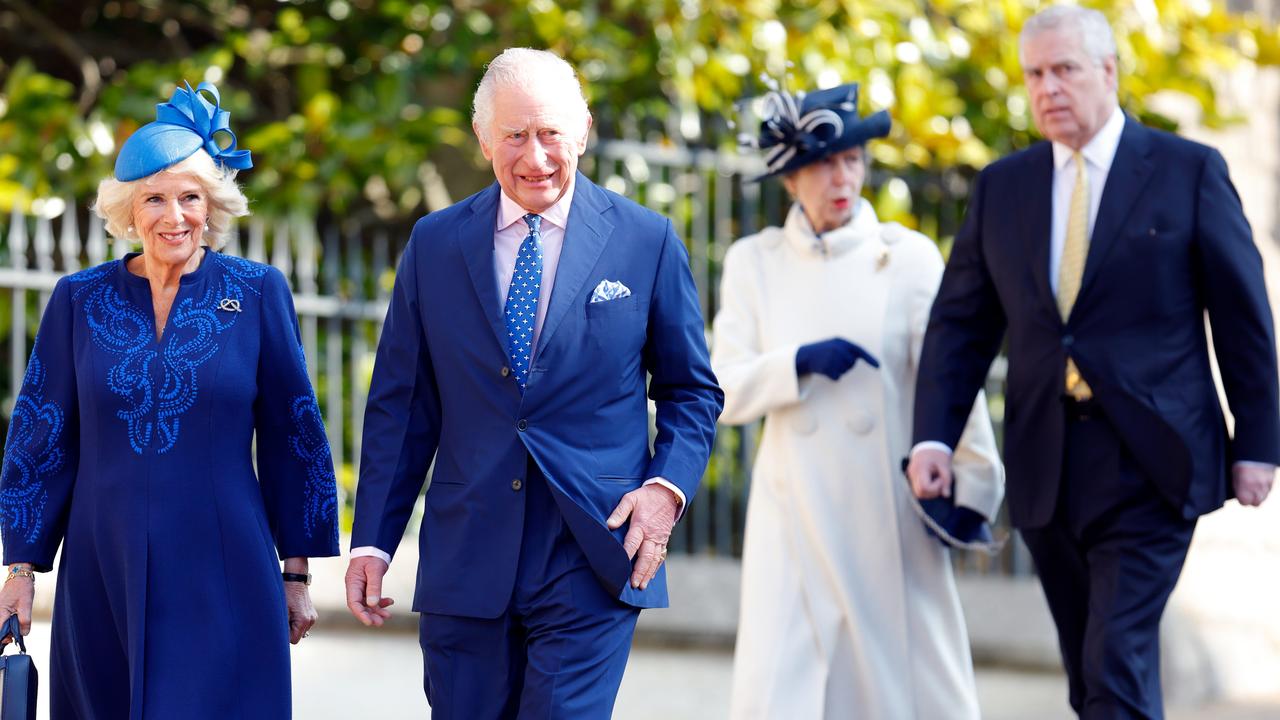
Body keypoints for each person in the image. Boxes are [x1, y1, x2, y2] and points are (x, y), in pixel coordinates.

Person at [908, 6, 1279, 718]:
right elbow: (960, 326)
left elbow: (1243, 320)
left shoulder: (1187, 172)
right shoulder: (1002, 188)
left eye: (1064, 70)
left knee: (1115, 658)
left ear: (1108, 72)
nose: (1047, 88)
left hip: (1153, 459)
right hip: (1047, 459)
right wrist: (934, 435)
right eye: (1035, 74)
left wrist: (1257, 441)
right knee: (1091, 671)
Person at [343, 48, 722, 718]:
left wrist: (664, 492)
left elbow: (692, 391)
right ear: (484, 139)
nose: (536, 156)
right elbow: (403, 406)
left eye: (551, 133)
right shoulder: (434, 245)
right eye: (514, 136)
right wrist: (373, 538)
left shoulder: (646, 241)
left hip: (593, 549)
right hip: (467, 555)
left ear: (582, 131)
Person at [0, 81, 340, 717]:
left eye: (191, 197)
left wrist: (295, 575)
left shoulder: (258, 290)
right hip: (103, 566)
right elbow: (40, 434)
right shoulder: (78, 299)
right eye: (154, 199)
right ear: (129, 211)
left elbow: (296, 437)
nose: (174, 215)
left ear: (212, 206)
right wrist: (20, 570)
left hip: (224, 562)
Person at [714, 82, 1005, 719]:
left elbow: (950, 379)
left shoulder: (908, 259)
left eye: (851, 160)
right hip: (792, 512)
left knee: (903, 684)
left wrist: (972, 480)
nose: (840, 177)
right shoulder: (753, 262)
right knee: (786, 686)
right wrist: (795, 365)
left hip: (889, 508)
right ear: (790, 179)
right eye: (821, 164)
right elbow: (721, 387)